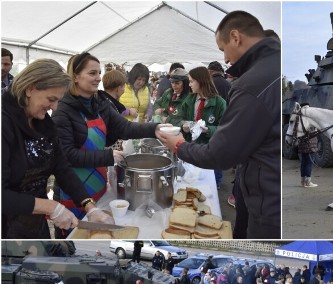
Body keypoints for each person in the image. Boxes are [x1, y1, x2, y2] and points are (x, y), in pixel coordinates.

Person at [157, 10, 281, 239]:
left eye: (223, 49)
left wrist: (179, 146)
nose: (225, 59)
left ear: (236, 37)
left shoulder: (251, 84)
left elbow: (221, 154)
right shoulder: (274, 68)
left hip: (269, 202)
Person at [2, 58, 111, 237]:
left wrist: (89, 206)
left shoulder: (43, 122)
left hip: (35, 225)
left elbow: (62, 167)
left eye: (58, 101)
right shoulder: (4, 123)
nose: (54, 107)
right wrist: (50, 206)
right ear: (30, 88)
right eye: (51, 99)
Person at [53, 52, 163, 219]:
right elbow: (66, 155)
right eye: (92, 73)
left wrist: (155, 129)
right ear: (75, 77)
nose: (98, 78)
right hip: (74, 191)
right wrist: (107, 156)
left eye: (99, 73)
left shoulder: (101, 104)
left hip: (98, 183)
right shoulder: (63, 110)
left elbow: (125, 128)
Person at [180, 66, 227, 188]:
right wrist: (182, 124)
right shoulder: (189, 100)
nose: (189, 85)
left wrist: (208, 130)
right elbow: (176, 118)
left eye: (191, 81)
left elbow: (226, 130)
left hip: (211, 152)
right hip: (191, 149)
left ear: (200, 81)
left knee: (209, 187)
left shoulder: (219, 103)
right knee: (191, 184)